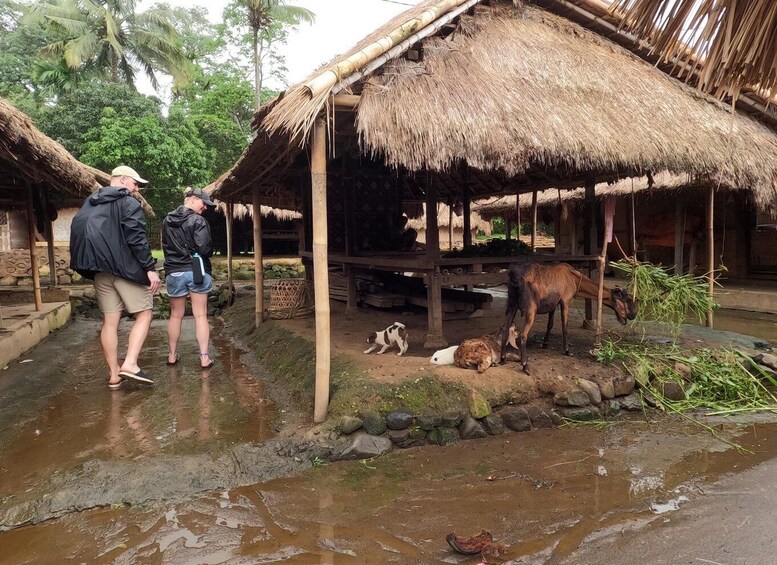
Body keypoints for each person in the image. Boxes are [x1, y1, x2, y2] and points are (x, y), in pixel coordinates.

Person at [70, 165, 161, 388]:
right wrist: (150, 268)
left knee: (110, 321)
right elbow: (137, 238)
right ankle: (130, 363)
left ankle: (114, 375)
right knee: (145, 314)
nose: (137, 189)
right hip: (125, 270)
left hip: (99, 270)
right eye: (135, 183)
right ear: (122, 180)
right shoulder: (127, 202)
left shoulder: (90, 202)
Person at [162, 187, 215, 368]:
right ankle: (204, 358)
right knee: (200, 315)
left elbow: (166, 247)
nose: (206, 207)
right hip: (196, 271)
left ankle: (171, 355)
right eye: (203, 203)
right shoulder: (198, 221)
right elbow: (204, 249)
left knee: (175, 316)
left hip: (174, 271)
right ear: (192, 199)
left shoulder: (167, 221)